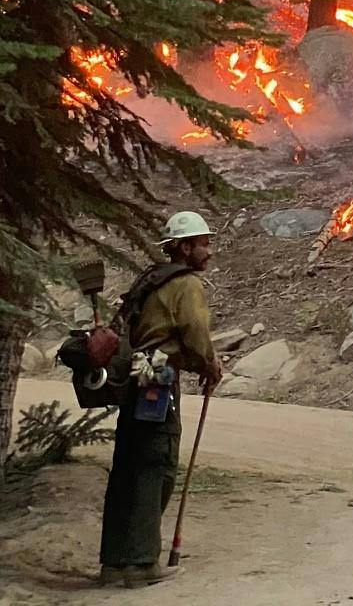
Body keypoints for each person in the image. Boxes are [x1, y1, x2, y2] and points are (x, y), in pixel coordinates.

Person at [98, 211, 223, 589]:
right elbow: (196, 333)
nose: (209, 252)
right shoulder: (185, 284)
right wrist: (210, 365)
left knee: (126, 469)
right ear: (185, 247)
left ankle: (113, 563)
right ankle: (141, 562)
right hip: (157, 385)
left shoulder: (151, 279)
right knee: (156, 466)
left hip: (134, 382)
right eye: (203, 244)